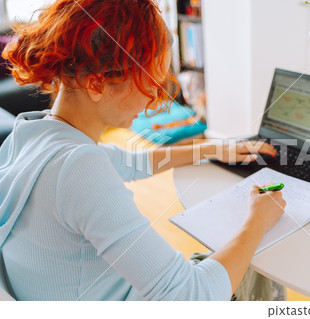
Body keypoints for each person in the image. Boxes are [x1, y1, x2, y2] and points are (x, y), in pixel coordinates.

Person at [0, 0, 286, 301]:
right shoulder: (77, 169)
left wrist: (212, 148)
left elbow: (131, 163)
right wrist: (257, 221)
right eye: (150, 83)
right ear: (98, 85)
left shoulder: (29, 136)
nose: (155, 101)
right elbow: (190, 296)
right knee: (253, 262)